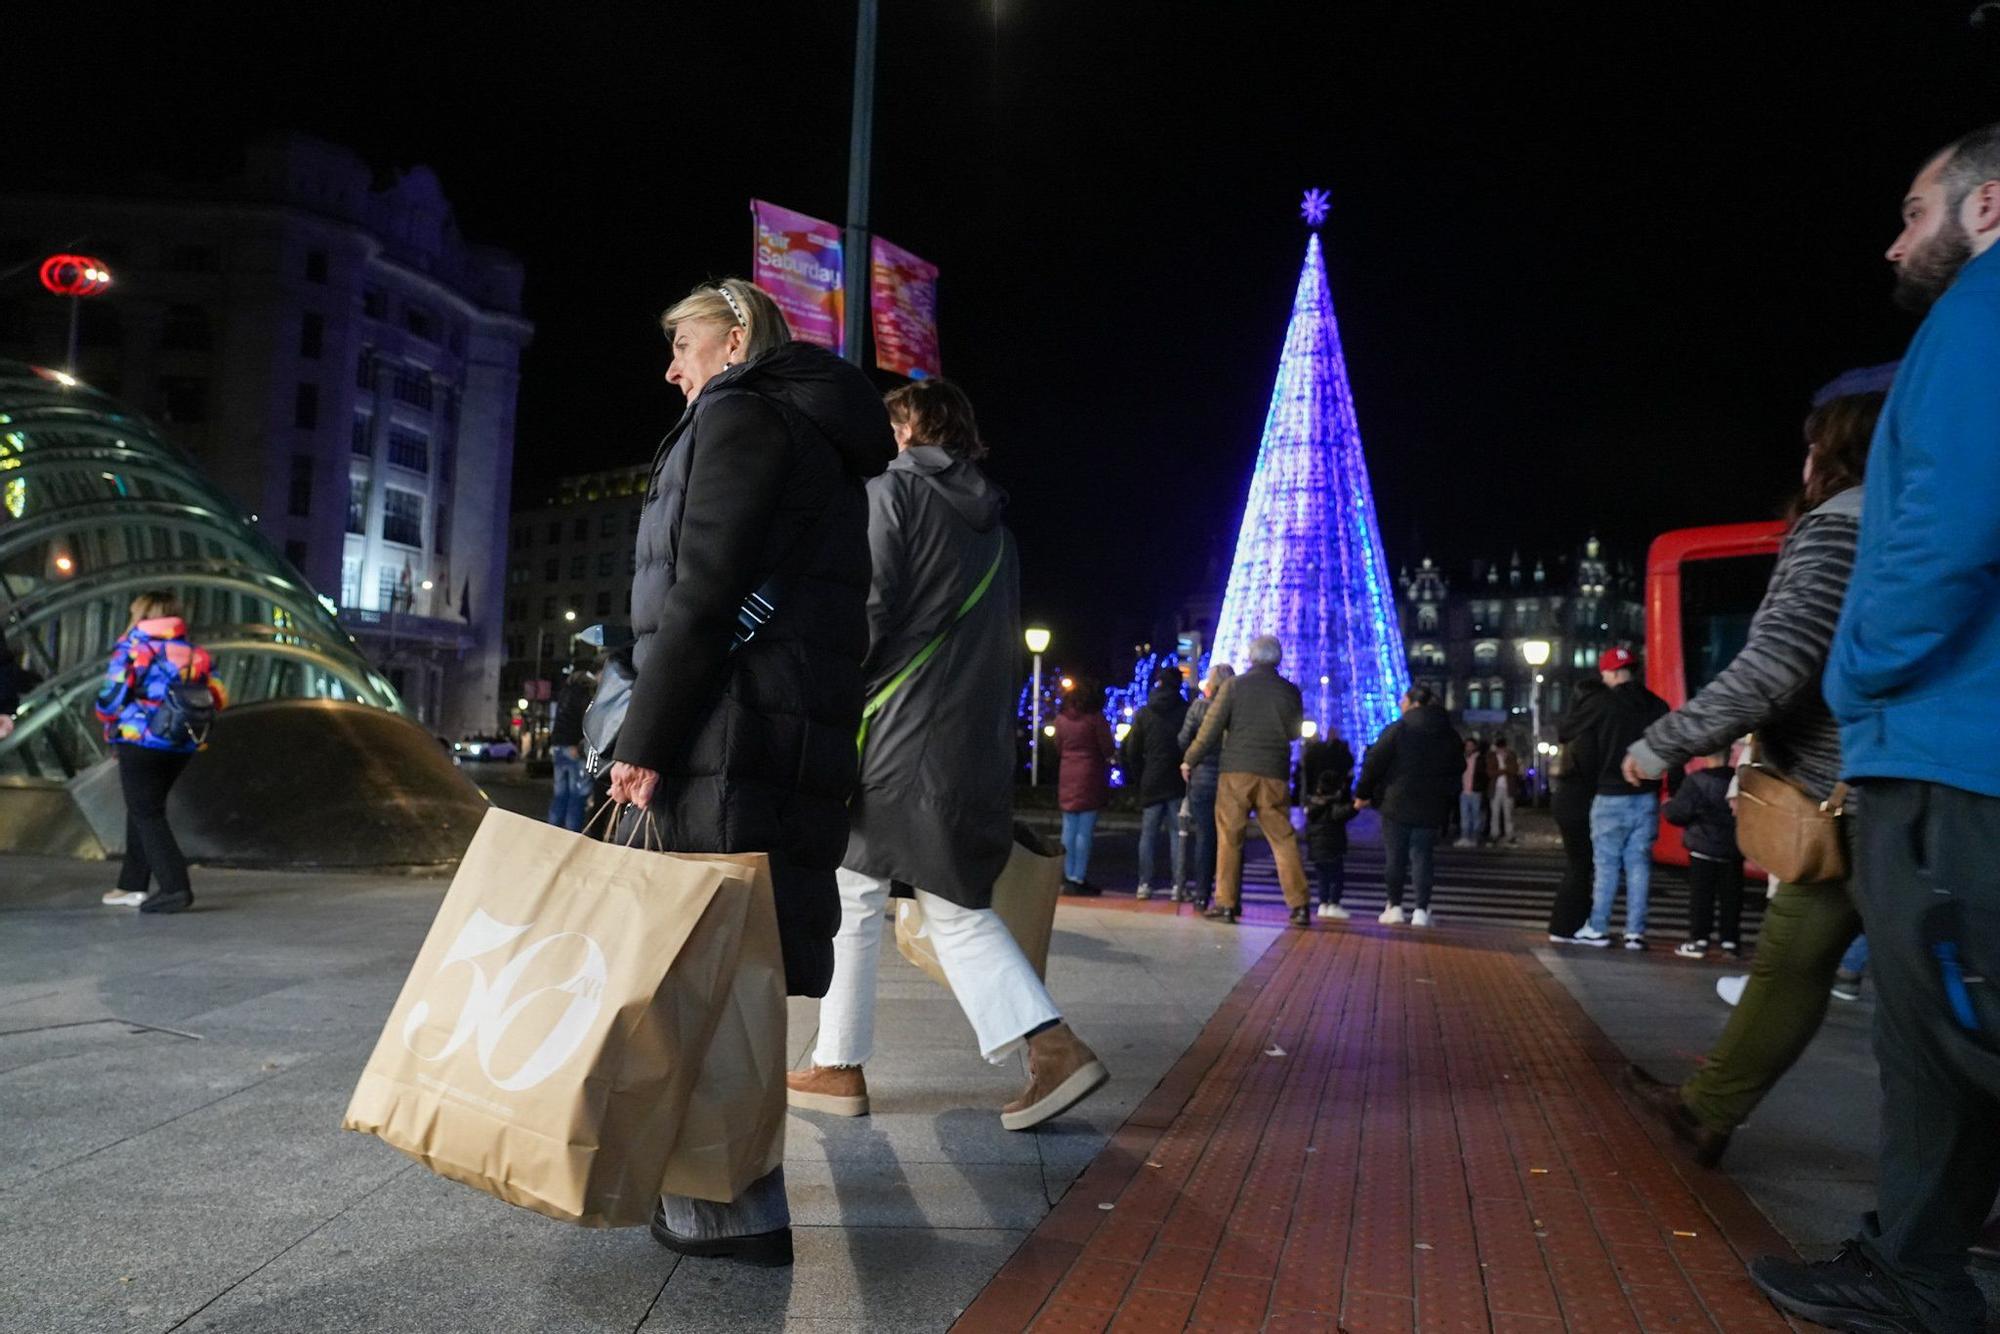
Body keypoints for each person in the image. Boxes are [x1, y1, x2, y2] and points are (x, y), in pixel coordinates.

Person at [1752, 126, 2000, 1334]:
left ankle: (1917, 1270)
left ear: (1986, 206)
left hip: (1946, 746)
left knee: (1953, 1025)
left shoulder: (1973, 320)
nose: (1893, 239)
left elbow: (1943, 531)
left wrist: (1860, 679)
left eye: (1912, 210)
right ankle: (1913, 1258)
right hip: (1949, 740)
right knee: (1939, 1029)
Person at [605, 278, 893, 1268]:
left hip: (727, 726)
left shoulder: (738, 417)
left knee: (711, 968)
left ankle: (726, 1210)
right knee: (736, 962)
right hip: (777, 725)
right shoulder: (813, 433)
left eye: (683, 343)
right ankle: (725, 1197)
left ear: (734, 340)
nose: (671, 365)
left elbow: (704, 589)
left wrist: (642, 736)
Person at [788, 378, 1107, 1135]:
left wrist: (822, 692)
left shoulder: (892, 495)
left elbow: (866, 612)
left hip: (895, 733)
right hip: (964, 738)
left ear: (907, 430)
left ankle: (1050, 1046)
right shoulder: (996, 526)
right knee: (883, 888)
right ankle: (838, 1062)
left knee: (925, 901)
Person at [1614, 387, 1878, 1169]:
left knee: (1944, 1010)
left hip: (1862, 799)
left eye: (1812, 446)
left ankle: (1933, 1219)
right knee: (1793, 962)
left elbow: (1780, 662)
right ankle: (1707, 1110)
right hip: (1857, 800)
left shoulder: (1839, 526)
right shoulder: (1912, 524)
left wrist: (1665, 742)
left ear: (1831, 456)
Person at [93, 591, 225, 914]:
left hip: (141, 739)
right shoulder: (196, 653)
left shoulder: (134, 648)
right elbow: (218, 696)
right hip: (182, 742)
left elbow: (111, 698)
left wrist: (110, 722)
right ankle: (132, 885)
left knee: (146, 812)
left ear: (141, 613)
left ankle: (175, 887)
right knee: (143, 808)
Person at [1181, 636, 1310, 926]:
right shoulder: (1290, 691)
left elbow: (1210, 728)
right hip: (1274, 772)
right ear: (1277, 659)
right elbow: (1293, 732)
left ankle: (1226, 904)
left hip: (1236, 770)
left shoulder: (1234, 687)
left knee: (1229, 837)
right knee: (1282, 839)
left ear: (1251, 657)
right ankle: (1299, 905)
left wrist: (1190, 758)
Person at [1569, 648, 1668, 949]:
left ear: (1610, 673)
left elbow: (1568, 730)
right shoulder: (1656, 704)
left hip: (1609, 793)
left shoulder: (1602, 703)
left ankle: (1598, 927)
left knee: (1607, 865)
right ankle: (1635, 932)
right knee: (1639, 864)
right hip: (1646, 794)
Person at [1355, 686, 1462, 927]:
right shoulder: (1448, 733)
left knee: (1396, 857)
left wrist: (1363, 793)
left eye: (1403, 700)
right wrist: (1446, 795)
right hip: (1431, 803)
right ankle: (1421, 910)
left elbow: (1374, 762)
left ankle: (1394, 906)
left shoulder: (1399, 729)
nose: (1400, 704)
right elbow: (1458, 768)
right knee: (1423, 857)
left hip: (1397, 801)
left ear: (1414, 703)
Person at [1663, 750, 1743, 959]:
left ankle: (1699, 941)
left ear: (1706, 754)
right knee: (1731, 897)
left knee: (1702, 896)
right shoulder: (1740, 781)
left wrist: (1667, 806)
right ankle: (1730, 942)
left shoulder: (1697, 780)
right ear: (1731, 753)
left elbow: (1677, 813)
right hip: (1733, 848)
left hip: (1702, 847)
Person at [1546, 674, 1607, 941]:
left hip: (1568, 799)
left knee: (1579, 863)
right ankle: (1566, 925)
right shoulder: (1588, 732)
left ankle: (1568, 924)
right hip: (1579, 801)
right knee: (1581, 864)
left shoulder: (1575, 728)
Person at [1121, 666, 1189, 900]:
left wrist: (1139, 776)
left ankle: (1144, 884)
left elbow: (1131, 749)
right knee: (1177, 835)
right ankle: (1178, 887)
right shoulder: (1184, 711)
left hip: (1151, 779)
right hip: (1177, 780)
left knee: (1147, 836)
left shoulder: (1145, 712)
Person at [1178, 662, 1235, 907]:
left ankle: (1202, 893)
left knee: (1204, 836)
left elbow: (1183, 739)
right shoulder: (1235, 710)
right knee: (1230, 837)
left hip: (1201, 777)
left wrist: (1190, 758)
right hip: (1229, 777)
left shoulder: (1199, 708)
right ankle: (1228, 894)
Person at [1052, 679, 1114, 894]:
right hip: (1090, 774)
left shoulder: (1060, 720)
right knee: (1084, 831)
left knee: (1068, 828)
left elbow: (1058, 746)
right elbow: (1107, 748)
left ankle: (1066, 875)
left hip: (1067, 772)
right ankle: (1078, 876)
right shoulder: (1095, 719)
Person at [1301, 732, 1358, 919]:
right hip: (1334, 849)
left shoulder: (1313, 806)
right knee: (1336, 877)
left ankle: (1323, 903)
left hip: (1317, 850)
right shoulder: (1332, 808)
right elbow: (1346, 812)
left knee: (1322, 878)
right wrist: (1355, 806)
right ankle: (1333, 903)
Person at [545, 667, 595, 832]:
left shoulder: (566, 691)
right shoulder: (585, 693)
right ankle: (571, 836)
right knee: (577, 795)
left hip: (559, 746)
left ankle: (553, 833)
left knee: (560, 794)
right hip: (574, 746)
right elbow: (586, 720)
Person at [1487, 737, 1521, 844]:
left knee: (1508, 814)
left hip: (1508, 789)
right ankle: (1494, 834)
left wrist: (1503, 769)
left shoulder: (1511, 756)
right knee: (1495, 813)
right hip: (1495, 789)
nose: (1501, 751)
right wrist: (1504, 770)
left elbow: (1514, 770)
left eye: (1503, 749)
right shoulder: (1491, 757)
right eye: (1499, 749)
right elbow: (1490, 772)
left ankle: (1510, 835)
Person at [1455, 737, 1487, 847]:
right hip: (1463, 791)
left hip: (1475, 791)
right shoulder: (1461, 758)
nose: (1469, 748)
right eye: (1467, 745)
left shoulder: (1479, 759)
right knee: (1464, 816)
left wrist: (1481, 787)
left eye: (1471, 745)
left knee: (1475, 815)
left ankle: (1474, 837)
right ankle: (1465, 837)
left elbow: (1483, 775)